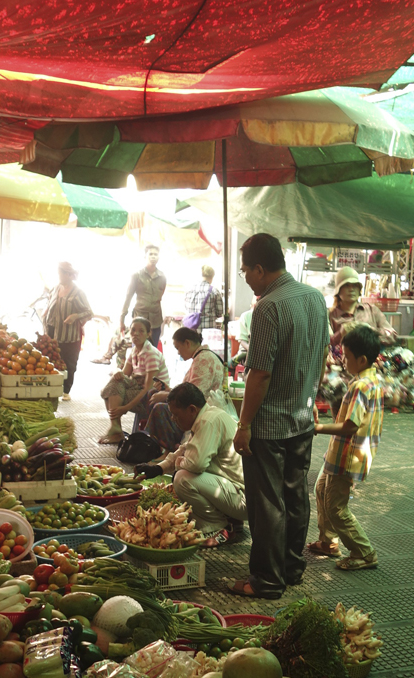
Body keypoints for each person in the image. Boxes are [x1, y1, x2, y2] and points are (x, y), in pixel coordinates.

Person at [231, 232, 330, 599]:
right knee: (295, 497)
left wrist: (244, 425)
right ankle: (291, 568)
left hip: (270, 426)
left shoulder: (268, 307)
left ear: (260, 269)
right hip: (303, 419)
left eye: (245, 271)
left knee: (267, 504)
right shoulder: (315, 298)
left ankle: (267, 581)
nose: (245, 278)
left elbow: (259, 373)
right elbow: (321, 355)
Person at [309, 325, 384, 571]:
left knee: (336, 507)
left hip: (348, 455)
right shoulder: (370, 379)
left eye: (347, 356)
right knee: (321, 489)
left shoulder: (360, 386)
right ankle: (328, 541)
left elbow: (350, 426)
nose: (343, 360)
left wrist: (318, 428)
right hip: (347, 452)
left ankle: (364, 552)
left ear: (361, 359)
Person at [136, 382, 247, 547]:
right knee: (183, 473)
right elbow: (184, 450)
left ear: (192, 409)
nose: (173, 419)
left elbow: (195, 464)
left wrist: (178, 463)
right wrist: (158, 468)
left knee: (182, 478)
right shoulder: (206, 417)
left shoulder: (208, 422)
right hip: (234, 493)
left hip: (242, 499)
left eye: (175, 415)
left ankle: (220, 528)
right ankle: (229, 520)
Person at [145, 326, 224, 451]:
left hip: (200, 410)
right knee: (153, 392)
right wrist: (168, 390)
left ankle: (167, 449)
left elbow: (193, 395)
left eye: (178, 348)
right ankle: (154, 443)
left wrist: (166, 395)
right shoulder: (201, 357)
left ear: (187, 343)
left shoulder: (203, 359)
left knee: (159, 408)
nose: (178, 352)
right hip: (193, 405)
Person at [98, 316, 170, 444]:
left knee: (111, 392)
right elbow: (123, 375)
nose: (136, 334)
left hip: (152, 396)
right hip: (138, 389)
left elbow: (148, 387)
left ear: (149, 334)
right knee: (115, 382)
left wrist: (125, 407)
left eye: (141, 331)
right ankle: (116, 428)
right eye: (133, 330)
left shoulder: (150, 353)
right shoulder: (134, 351)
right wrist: (117, 371)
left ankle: (116, 429)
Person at [42, 262, 93, 401]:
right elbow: (50, 304)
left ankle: (66, 390)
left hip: (70, 335)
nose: (59, 276)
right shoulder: (56, 288)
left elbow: (89, 312)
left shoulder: (78, 293)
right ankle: (52, 388)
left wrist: (76, 316)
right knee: (52, 360)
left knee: (68, 363)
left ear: (69, 275)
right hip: (52, 331)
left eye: (61, 273)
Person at [328, 266, 394, 348]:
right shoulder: (331, 316)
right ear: (338, 291)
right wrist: (341, 334)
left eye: (355, 285)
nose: (351, 289)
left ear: (359, 289)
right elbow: (325, 343)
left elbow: (392, 336)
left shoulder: (372, 310)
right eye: (346, 285)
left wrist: (370, 331)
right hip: (342, 360)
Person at [120, 244, 166, 348]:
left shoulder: (162, 277)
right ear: (145, 256)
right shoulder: (137, 275)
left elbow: (160, 296)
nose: (153, 256)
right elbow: (128, 297)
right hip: (140, 318)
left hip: (156, 320)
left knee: (153, 351)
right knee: (137, 350)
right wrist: (122, 319)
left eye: (155, 254)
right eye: (150, 254)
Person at [184, 265, 224, 332]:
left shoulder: (190, 290)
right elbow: (220, 312)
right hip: (208, 330)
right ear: (212, 277)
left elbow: (187, 307)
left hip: (191, 328)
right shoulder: (214, 291)